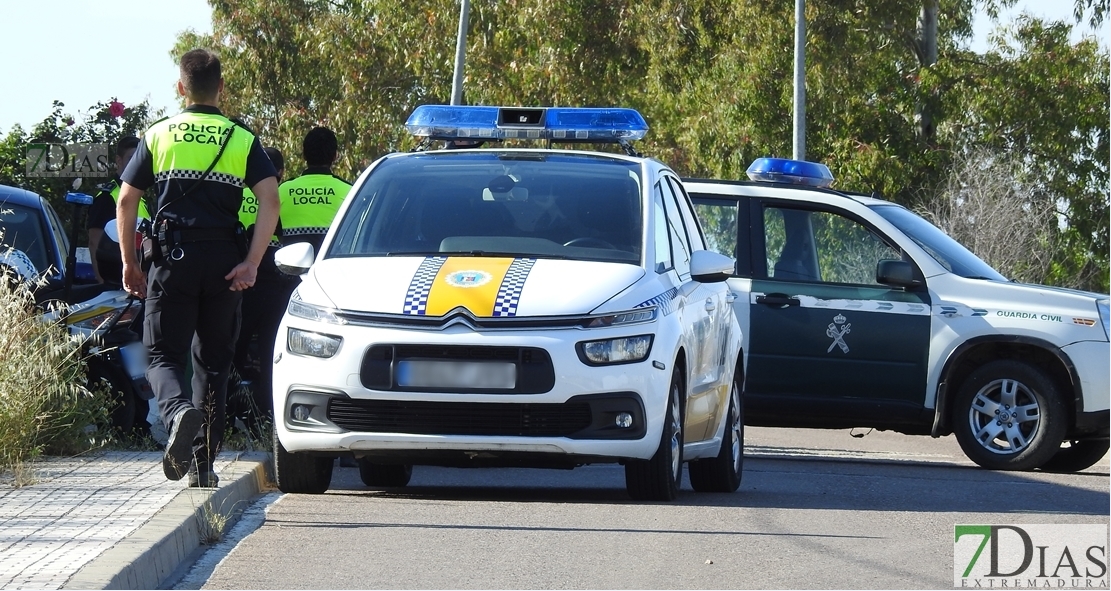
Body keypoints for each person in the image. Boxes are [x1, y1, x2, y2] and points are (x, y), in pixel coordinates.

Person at [116, 48, 280, 488]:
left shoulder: (159, 134)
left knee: (161, 355)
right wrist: (251, 263)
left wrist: (130, 263)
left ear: (180, 87)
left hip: (172, 262)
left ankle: (177, 412)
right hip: (225, 263)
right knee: (214, 364)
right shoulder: (242, 139)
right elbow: (270, 199)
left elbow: (126, 200)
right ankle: (204, 468)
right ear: (221, 87)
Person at [232, 146, 287, 429]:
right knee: (271, 356)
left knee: (232, 353)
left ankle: (224, 417)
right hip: (273, 284)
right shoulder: (280, 196)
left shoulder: (235, 193)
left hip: (237, 283)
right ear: (280, 173)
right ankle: (268, 420)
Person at [278, 126, 352, 254]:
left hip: (291, 271)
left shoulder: (282, 190)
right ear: (335, 156)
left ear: (304, 155)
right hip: (333, 270)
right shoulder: (350, 192)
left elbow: (277, 233)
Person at [87, 137, 150, 284]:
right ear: (119, 161)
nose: (136, 165)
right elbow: (94, 243)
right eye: (130, 159)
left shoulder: (142, 199)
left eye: (139, 160)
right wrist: (104, 284)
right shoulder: (107, 198)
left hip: (139, 282)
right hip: (115, 283)